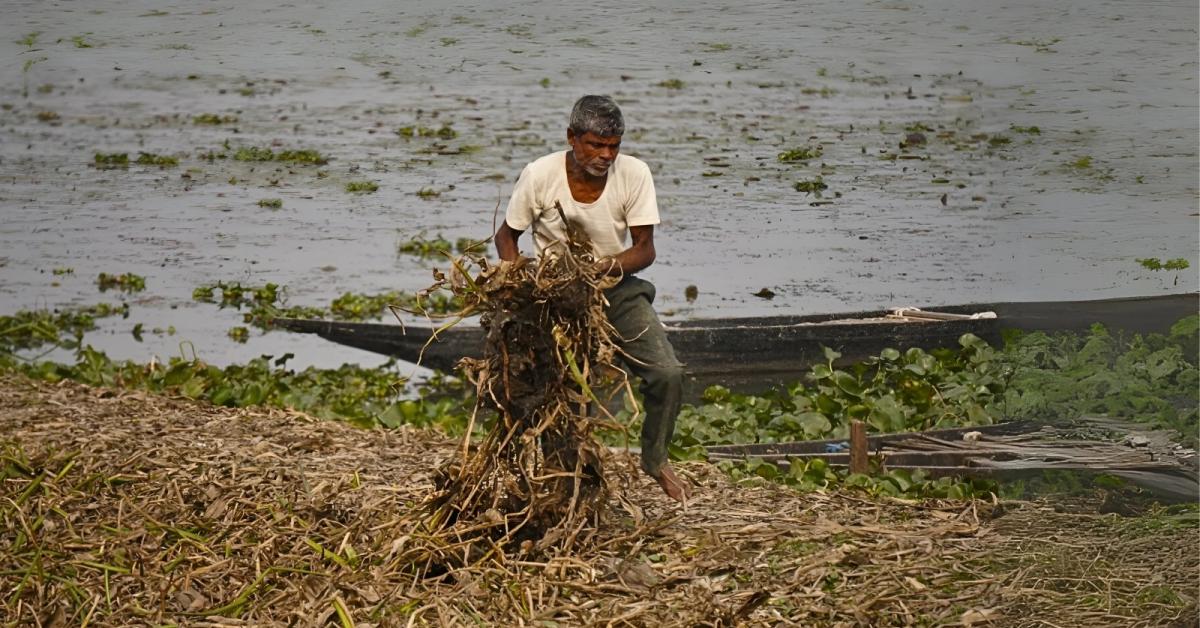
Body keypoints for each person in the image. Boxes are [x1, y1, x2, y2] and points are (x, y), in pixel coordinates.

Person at [494, 95, 690, 503]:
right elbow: (506, 237)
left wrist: (600, 269)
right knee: (560, 391)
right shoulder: (540, 174)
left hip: (613, 287)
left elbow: (644, 250)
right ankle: (565, 478)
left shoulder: (634, 174)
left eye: (613, 146)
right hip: (552, 294)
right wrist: (517, 284)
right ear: (572, 138)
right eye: (595, 145)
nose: (605, 155)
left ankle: (654, 460)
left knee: (667, 373)